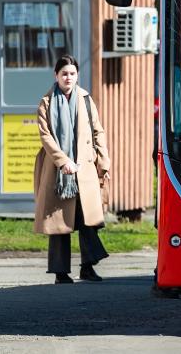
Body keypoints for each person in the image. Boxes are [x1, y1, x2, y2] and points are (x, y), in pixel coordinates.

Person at [34, 55, 111, 284]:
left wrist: (104, 162)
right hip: (58, 171)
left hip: (84, 168)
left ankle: (88, 267)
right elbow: (46, 136)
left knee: (87, 218)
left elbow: (98, 132)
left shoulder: (86, 99)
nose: (68, 77)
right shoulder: (46, 102)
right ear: (56, 75)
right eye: (64, 73)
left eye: (72, 73)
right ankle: (60, 273)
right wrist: (62, 160)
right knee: (60, 223)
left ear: (77, 75)